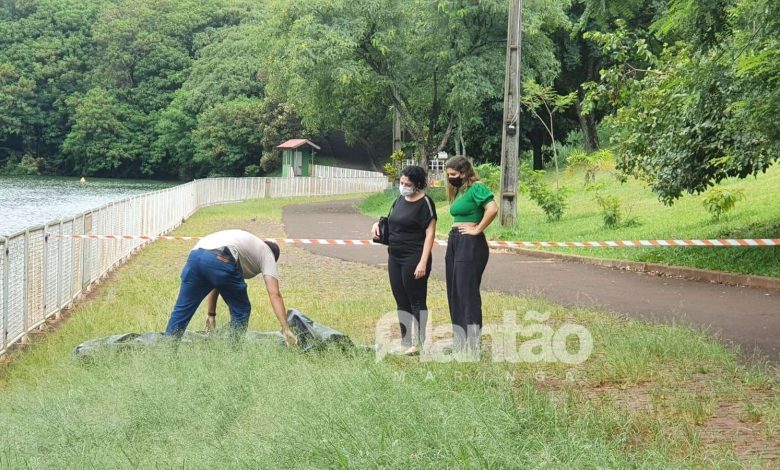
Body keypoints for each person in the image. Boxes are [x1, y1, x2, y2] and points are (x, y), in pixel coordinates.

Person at [164, 229, 297, 347]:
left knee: (182, 309)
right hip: (221, 256)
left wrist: (211, 314)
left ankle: (167, 350)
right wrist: (286, 329)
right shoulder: (267, 254)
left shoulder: (247, 246)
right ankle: (233, 351)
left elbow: (215, 280)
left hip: (195, 255)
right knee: (242, 309)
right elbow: (274, 294)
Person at [372, 165, 437, 355]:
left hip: (414, 257)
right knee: (401, 299)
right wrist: (377, 224)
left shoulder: (425, 203)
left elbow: (430, 234)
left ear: (417, 184)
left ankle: (420, 343)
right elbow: (392, 220)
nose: (403, 186)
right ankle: (405, 340)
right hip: (395, 256)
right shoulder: (399, 199)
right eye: (401, 183)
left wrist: (423, 262)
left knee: (416, 300)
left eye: (407, 184)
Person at [444, 156, 498, 356]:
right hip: (455, 240)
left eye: (454, 175)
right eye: (449, 175)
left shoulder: (476, 187)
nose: (451, 178)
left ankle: (473, 345)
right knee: (454, 291)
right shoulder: (460, 191)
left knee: (467, 293)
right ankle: (460, 341)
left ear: (464, 172)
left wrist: (477, 229)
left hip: (470, 243)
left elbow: (492, 208)